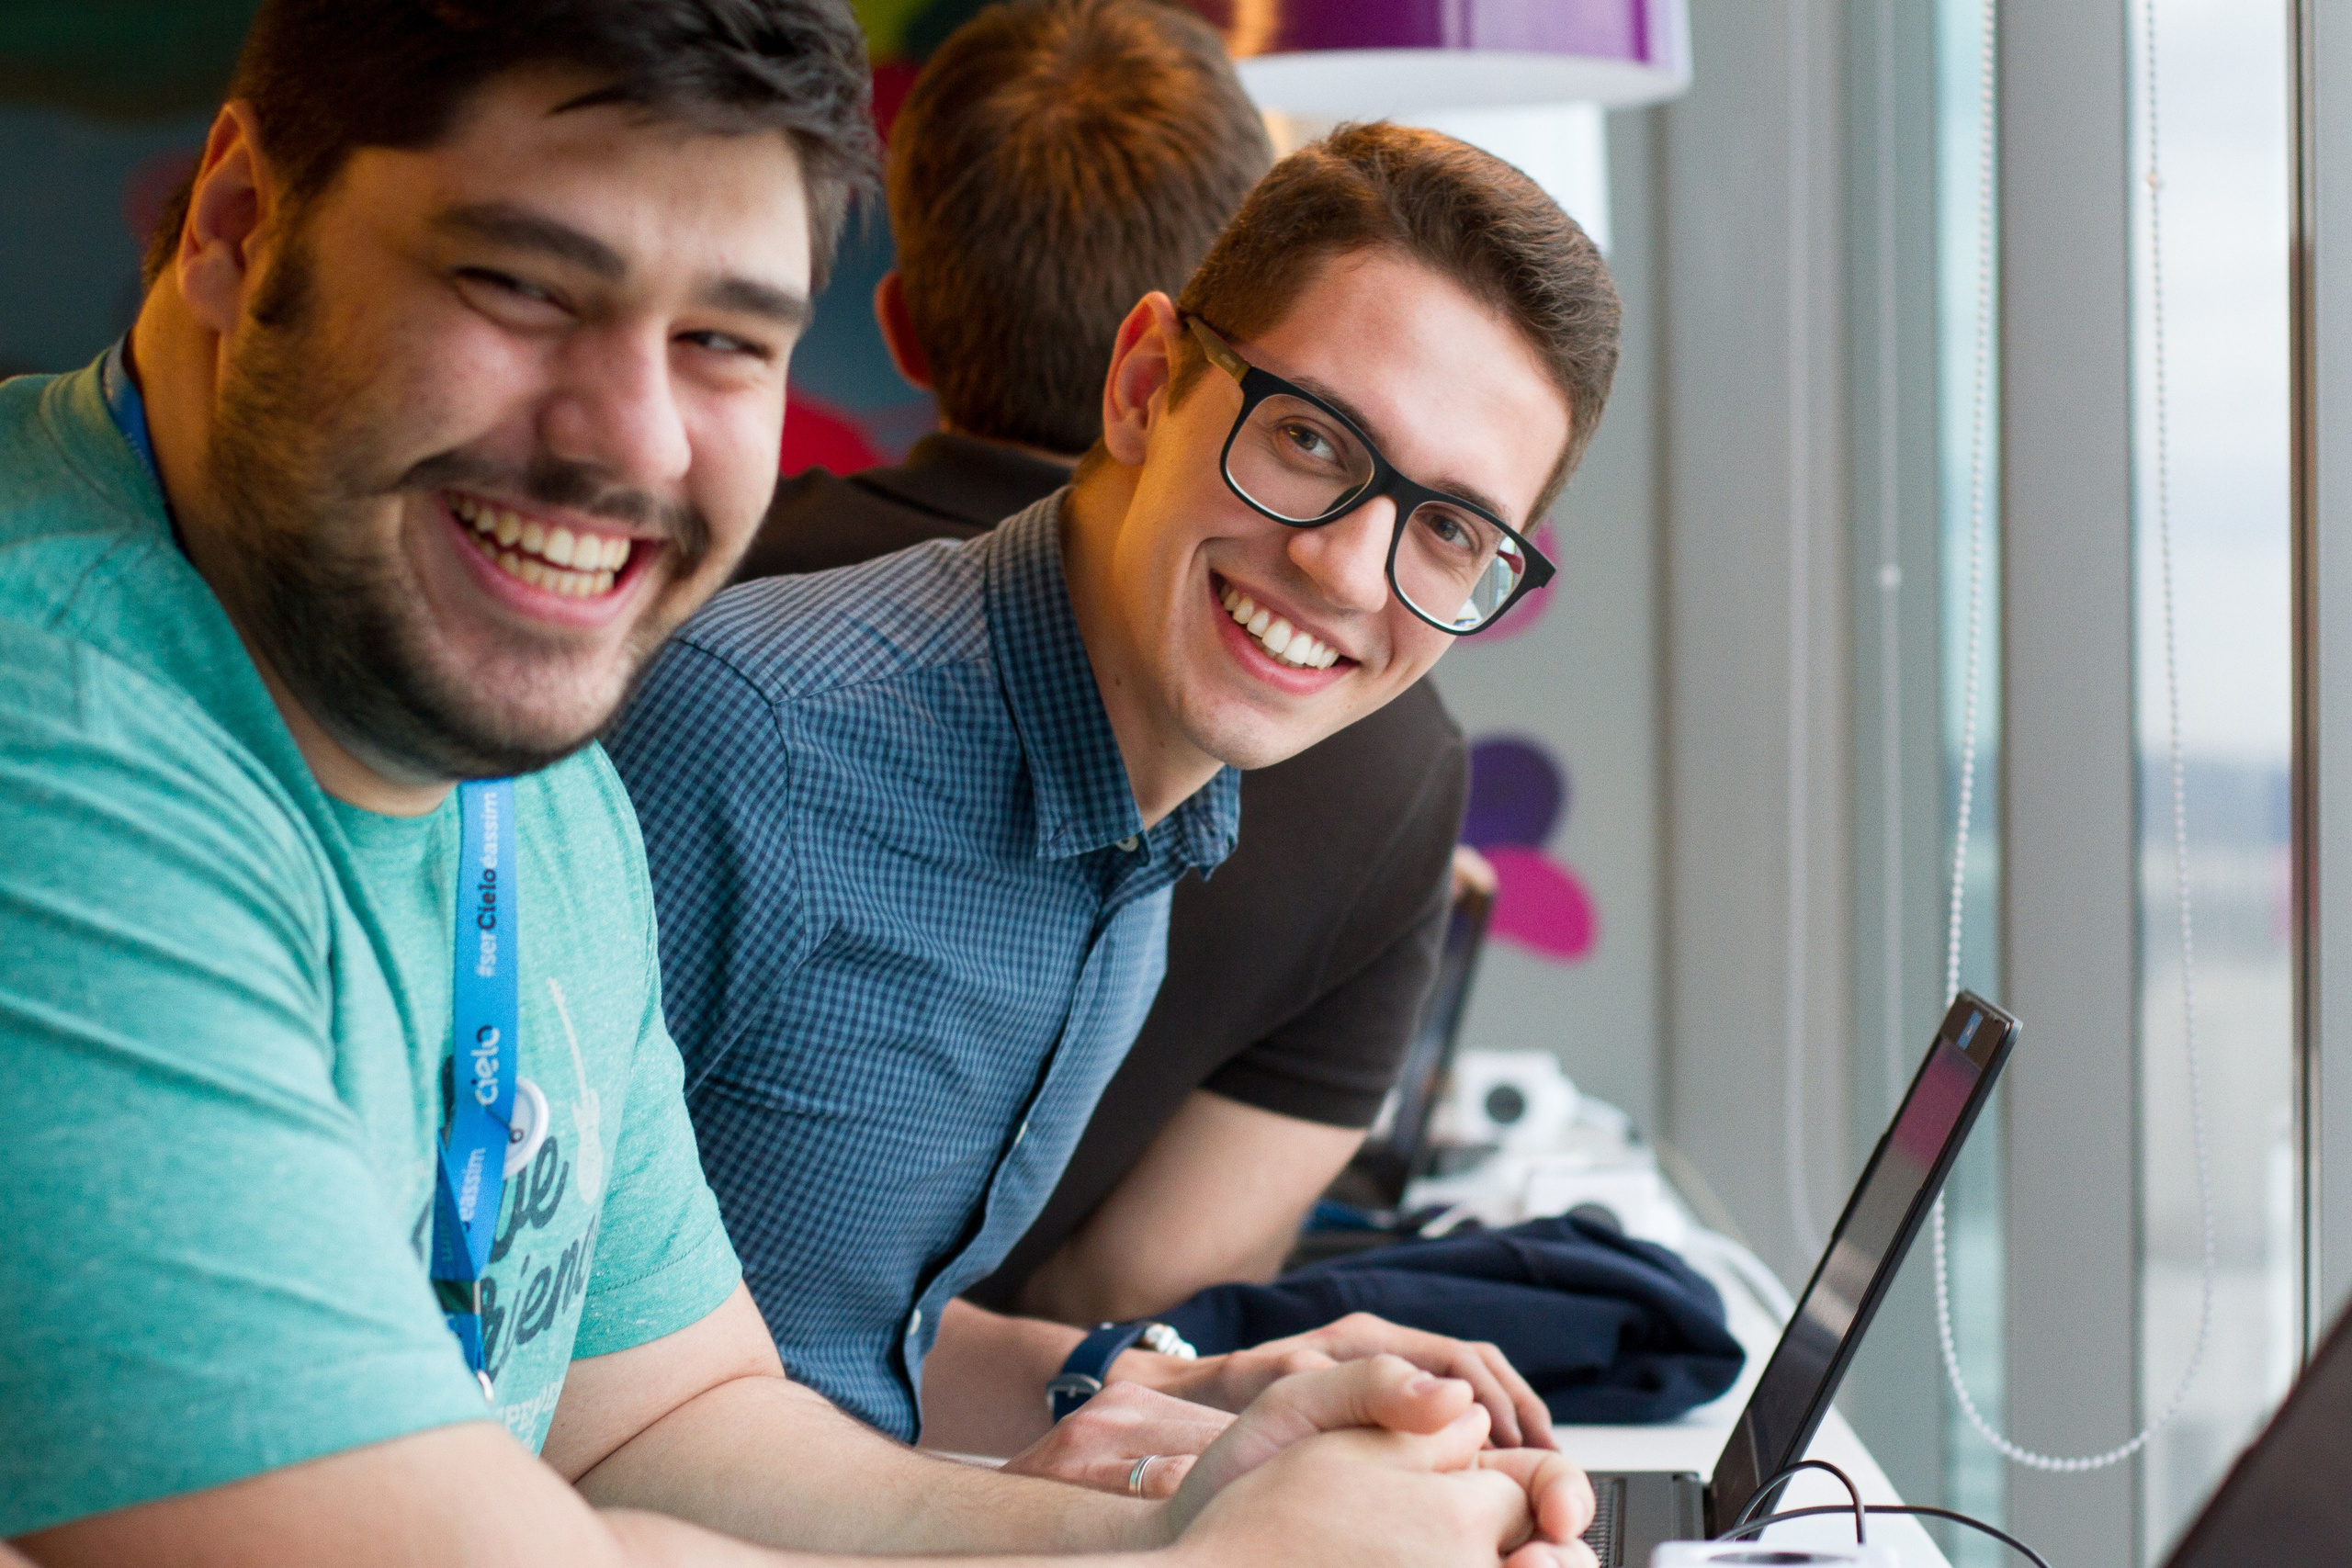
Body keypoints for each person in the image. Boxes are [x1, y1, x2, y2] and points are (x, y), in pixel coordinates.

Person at [0, 2, 1599, 1564]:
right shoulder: (57, 734)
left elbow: (666, 1422)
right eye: (519, 284)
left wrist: (1186, 1490)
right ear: (234, 222)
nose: (633, 441)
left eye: (723, 341)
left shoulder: (513, 746)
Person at [607, 70, 1622, 1481]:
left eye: (1448, 531)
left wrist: (1185, 1389)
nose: (1342, 568)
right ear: (1148, 384)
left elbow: (823, 1346)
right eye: (1311, 439)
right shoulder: (757, 741)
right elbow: (517, 1397)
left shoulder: (1157, 799)